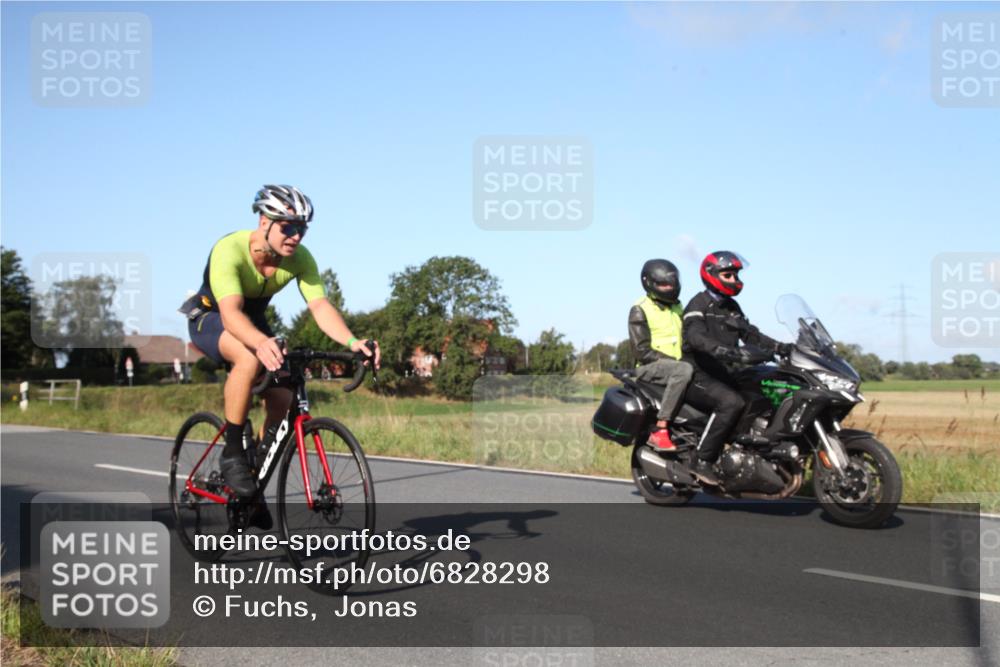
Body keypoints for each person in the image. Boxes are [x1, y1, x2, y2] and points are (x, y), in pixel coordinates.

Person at [181, 185, 380, 526]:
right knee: (248, 358)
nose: (296, 236)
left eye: (302, 228)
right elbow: (231, 315)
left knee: (285, 393)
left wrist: (352, 342)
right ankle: (232, 454)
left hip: (252, 320)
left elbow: (319, 305)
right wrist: (260, 342)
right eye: (288, 226)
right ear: (264, 222)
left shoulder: (300, 259)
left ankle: (253, 478)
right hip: (212, 317)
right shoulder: (229, 250)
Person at [681, 251, 792, 485]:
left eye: (735, 275)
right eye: (728, 275)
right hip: (699, 373)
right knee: (731, 402)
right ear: (712, 275)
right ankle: (702, 461)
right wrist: (723, 350)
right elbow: (695, 336)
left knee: (767, 390)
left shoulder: (732, 306)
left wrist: (782, 347)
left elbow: (751, 335)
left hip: (725, 372)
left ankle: (752, 452)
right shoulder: (698, 303)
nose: (734, 279)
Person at [628, 259, 694, 451]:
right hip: (650, 367)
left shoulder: (677, 307)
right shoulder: (640, 309)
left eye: (672, 284)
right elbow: (641, 351)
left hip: (678, 366)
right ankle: (661, 429)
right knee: (683, 370)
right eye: (664, 284)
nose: (670, 288)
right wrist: (675, 362)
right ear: (649, 283)